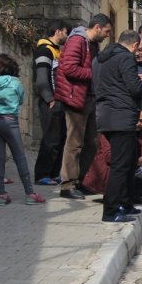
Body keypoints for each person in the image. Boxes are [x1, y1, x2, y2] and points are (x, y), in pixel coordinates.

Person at [92, 29, 142, 222]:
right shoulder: (126, 58)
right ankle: (111, 210)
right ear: (135, 45)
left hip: (105, 115)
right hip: (121, 117)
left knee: (127, 162)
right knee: (121, 165)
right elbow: (134, 87)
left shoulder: (100, 59)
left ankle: (126, 204)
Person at [83, 101, 142, 219]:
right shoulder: (115, 130)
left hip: (132, 169)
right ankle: (125, 197)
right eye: (141, 120)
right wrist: (137, 161)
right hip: (111, 174)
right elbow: (110, 157)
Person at [55, 13, 112, 200]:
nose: (107, 35)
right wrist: (95, 74)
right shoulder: (77, 41)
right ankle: (67, 185)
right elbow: (68, 68)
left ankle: (80, 181)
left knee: (92, 142)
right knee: (74, 143)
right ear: (97, 27)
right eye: (106, 31)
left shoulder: (92, 44)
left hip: (90, 98)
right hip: (76, 99)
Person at [0, 54, 46, 205]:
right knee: (20, 158)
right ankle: (30, 193)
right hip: (10, 122)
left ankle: (1, 195)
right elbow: (21, 100)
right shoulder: (15, 82)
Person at [33, 20, 69, 186]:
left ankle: (54, 173)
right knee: (50, 139)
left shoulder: (56, 51)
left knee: (60, 138)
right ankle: (42, 174)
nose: (67, 36)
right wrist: (50, 99)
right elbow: (41, 79)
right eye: (65, 32)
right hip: (51, 102)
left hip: (59, 101)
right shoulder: (45, 50)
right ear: (58, 32)